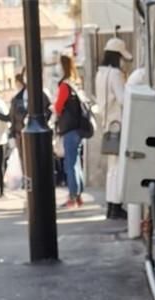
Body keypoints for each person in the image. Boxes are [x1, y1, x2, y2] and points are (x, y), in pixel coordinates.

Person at [95, 37, 132, 219]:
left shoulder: (100, 74)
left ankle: (111, 205)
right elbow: (123, 99)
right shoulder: (115, 75)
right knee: (118, 166)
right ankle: (116, 205)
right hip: (118, 124)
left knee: (112, 168)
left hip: (106, 125)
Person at [53, 54, 84, 209]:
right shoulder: (76, 82)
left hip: (69, 129)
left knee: (69, 164)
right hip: (79, 128)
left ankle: (73, 196)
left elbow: (58, 107)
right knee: (76, 162)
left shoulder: (65, 85)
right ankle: (78, 195)